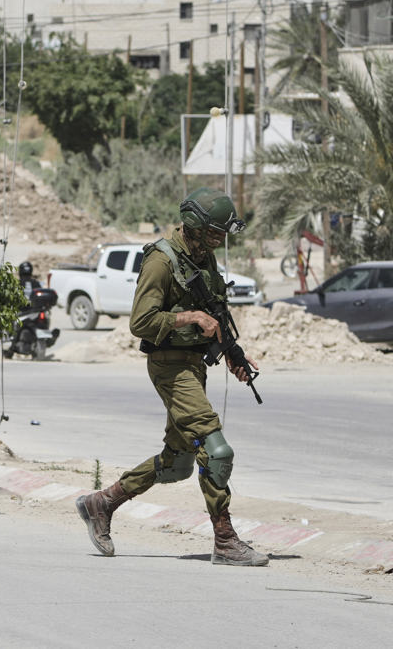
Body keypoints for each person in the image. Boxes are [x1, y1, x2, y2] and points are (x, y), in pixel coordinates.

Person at [75, 188, 268, 567]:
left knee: (177, 463)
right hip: (169, 366)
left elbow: (215, 310)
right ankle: (225, 540)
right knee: (217, 451)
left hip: (195, 364)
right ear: (195, 225)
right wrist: (190, 318)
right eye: (215, 232)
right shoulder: (161, 261)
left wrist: (233, 354)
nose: (220, 240)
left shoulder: (204, 257)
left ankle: (102, 502)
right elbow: (141, 323)